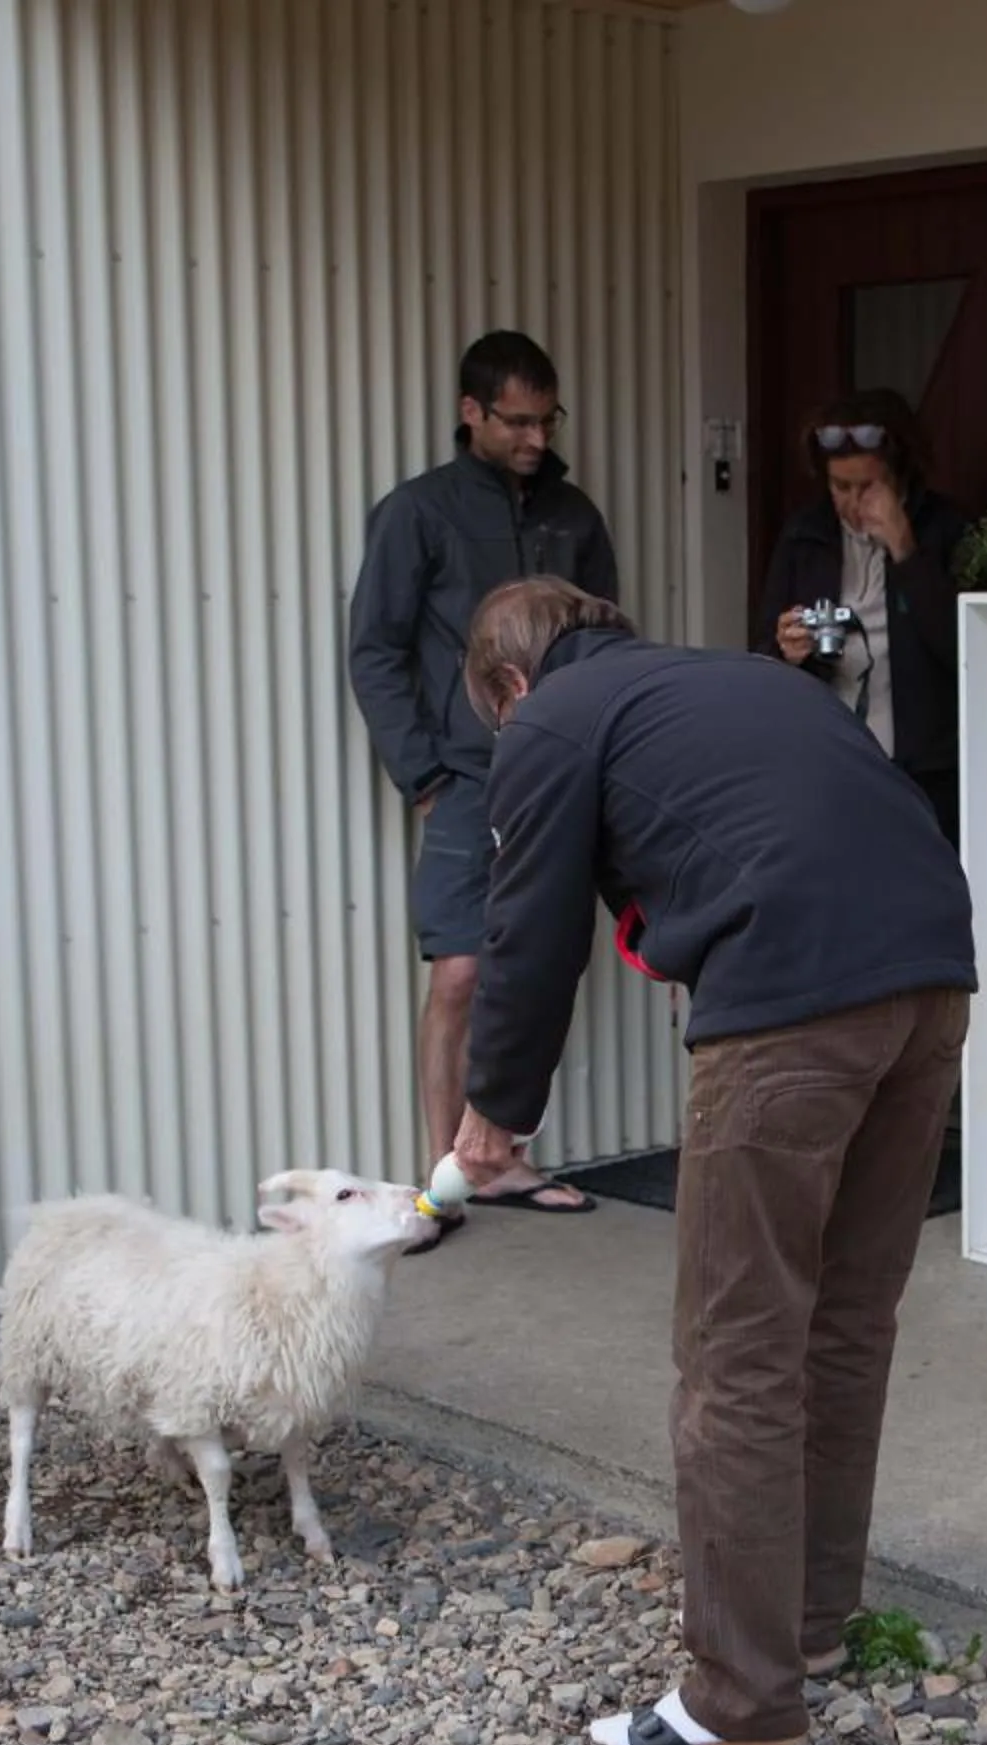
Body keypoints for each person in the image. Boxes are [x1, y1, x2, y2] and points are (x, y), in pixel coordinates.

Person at [448, 576, 975, 1745]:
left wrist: (494, 1112)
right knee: (843, 1322)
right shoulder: (728, 676)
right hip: (934, 974)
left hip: (790, 1001)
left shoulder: (548, 720)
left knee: (737, 1346)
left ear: (511, 686)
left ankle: (742, 1696)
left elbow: (527, 929)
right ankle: (806, 1624)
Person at [345, 330, 618, 1246]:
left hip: (561, 776)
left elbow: (606, 642)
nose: (537, 436)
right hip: (463, 779)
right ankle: (446, 1176)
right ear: (472, 414)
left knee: (534, 967)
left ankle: (503, 1162)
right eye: (518, 420)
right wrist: (421, 770)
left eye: (548, 419)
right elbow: (375, 649)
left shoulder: (575, 516)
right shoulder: (418, 513)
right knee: (461, 972)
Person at [753, 389, 972, 846]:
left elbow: (964, 651)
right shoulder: (805, 536)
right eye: (840, 487)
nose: (853, 503)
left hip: (927, 772)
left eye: (867, 486)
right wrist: (787, 651)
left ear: (899, 475)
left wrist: (906, 552)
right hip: (831, 764)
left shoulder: (946, 530)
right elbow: (763, 658)